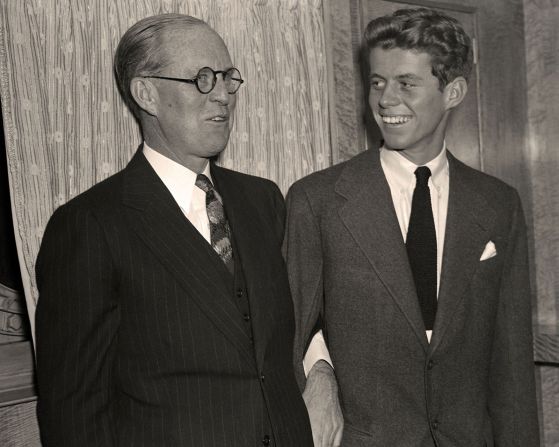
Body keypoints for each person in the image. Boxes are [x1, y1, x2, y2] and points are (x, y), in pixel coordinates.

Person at [35, 13, 313, 447]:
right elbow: (73, 407)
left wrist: (323, 378)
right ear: (145, 92)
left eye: (227, 77)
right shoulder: (91, 223)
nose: (222, 95)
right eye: (203, 79)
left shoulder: (264, 200)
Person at [285, 8, 539, 447]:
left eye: (407, 83)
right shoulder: (318, 200)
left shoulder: (498, 204)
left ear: (453, 91)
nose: (385, 99)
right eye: (378, 81)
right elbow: (290, 329)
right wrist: (320, 373)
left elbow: (512, 364)